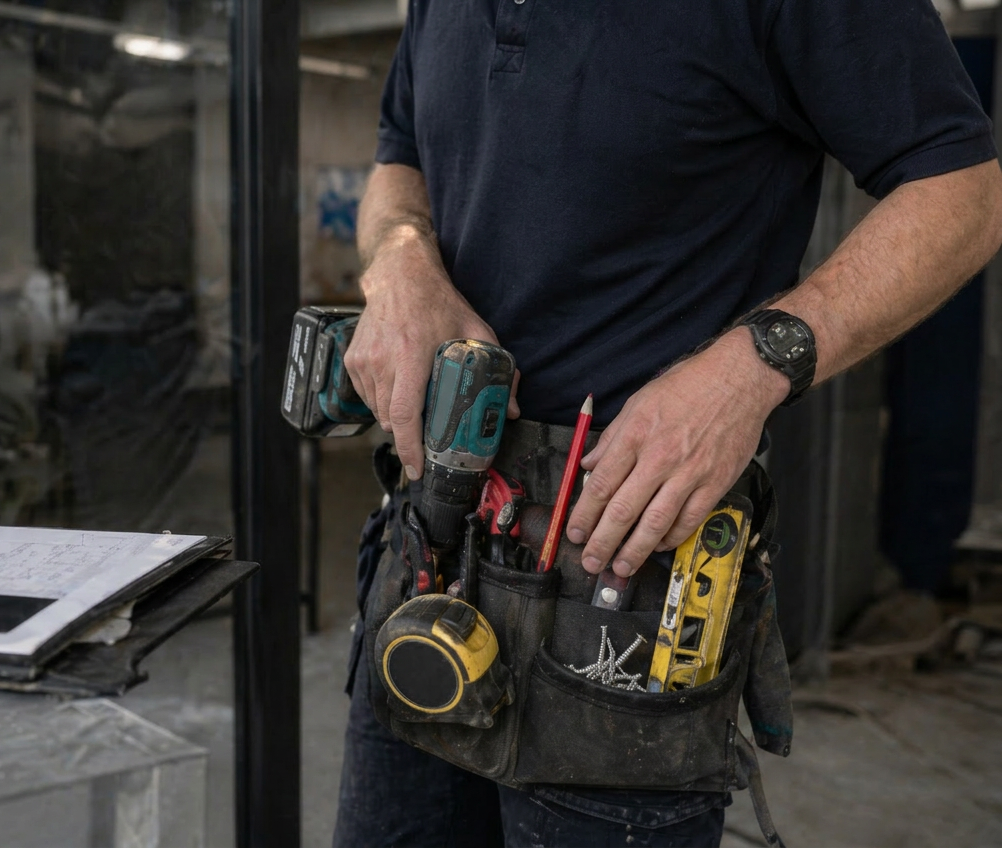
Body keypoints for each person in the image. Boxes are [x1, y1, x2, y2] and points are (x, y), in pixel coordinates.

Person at [335, 0, 1002, 846]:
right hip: (429, 551)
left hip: (620, 593)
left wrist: (750, 368)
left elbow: (963, 191)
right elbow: (399, 155)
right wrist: (399, 257)